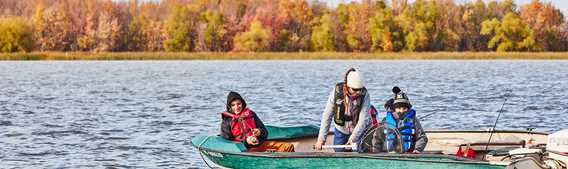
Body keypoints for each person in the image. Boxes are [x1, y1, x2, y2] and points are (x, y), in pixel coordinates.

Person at [314, 68, 373, 152]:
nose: (358, 92)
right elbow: (327, 115)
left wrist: (353, 138)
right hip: (341, 129)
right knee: (339, 152)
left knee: (359, 152)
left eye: (360, 89)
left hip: (359, 130)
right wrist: (321, 139)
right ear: (347, 86)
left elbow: (363, 120)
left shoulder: (365, 95)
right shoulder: (337, 92)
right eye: (355, 90)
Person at [220, 91, 294, 152]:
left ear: (242, 103)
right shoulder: (227, 120)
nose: (236, 107)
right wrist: (246, 141)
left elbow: (265, 132)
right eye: (233, 105)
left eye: (238, 104)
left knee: (288, 147)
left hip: (259, 145)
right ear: (229, 107)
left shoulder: (251, 114)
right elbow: (228, 141)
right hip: (244, 150)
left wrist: (259, 132)